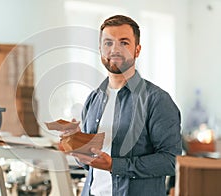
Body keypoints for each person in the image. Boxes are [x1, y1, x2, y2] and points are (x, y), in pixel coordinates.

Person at [62, 15, 182, 196]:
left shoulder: (157, 100)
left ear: (137, 50)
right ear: (100, 49)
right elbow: (90, 163)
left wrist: (114, 165)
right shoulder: (93, 99)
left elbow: (171, 161)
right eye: (108, 43)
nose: (115, 49)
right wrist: (76, 144)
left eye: (124, 43)